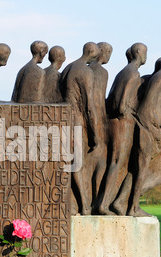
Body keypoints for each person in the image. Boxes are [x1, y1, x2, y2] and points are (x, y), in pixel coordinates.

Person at [97, 43, 147, 215]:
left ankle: (103, 202)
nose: (146, 56)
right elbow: (120, 105)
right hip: (122, 123)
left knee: (114, 163)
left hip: (113, 123)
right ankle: (103, 204)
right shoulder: (133, 73)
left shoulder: (123, 71)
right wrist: (130, 112)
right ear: (139, 53)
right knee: (117, 163)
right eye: (145, 52)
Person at [128, 53, 161, 217]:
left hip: (147, 127)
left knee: (139, 169)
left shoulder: (155, 78)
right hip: (147, 128)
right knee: (141, 170)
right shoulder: (159, 79)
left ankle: (129, 204)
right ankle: (133, 207)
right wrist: (155, 128)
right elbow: (147, 106)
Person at [60, 42, 100, 214]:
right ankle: (83, 205)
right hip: (76, 119)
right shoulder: (85, 71)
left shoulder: (69, 67)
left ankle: (78, 204)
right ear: (92, 52)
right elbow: (89, 105)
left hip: (63, 118)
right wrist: (95, 134)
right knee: (77, 163)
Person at [87, 42, 112, 212]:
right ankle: (96, 202)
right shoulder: (101, 72)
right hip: (96, 120)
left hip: (86, 119)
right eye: (109, 52)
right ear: (102, 52)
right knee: (100, 163)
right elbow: (97, 100)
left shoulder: (85, 68)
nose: (110, 55)